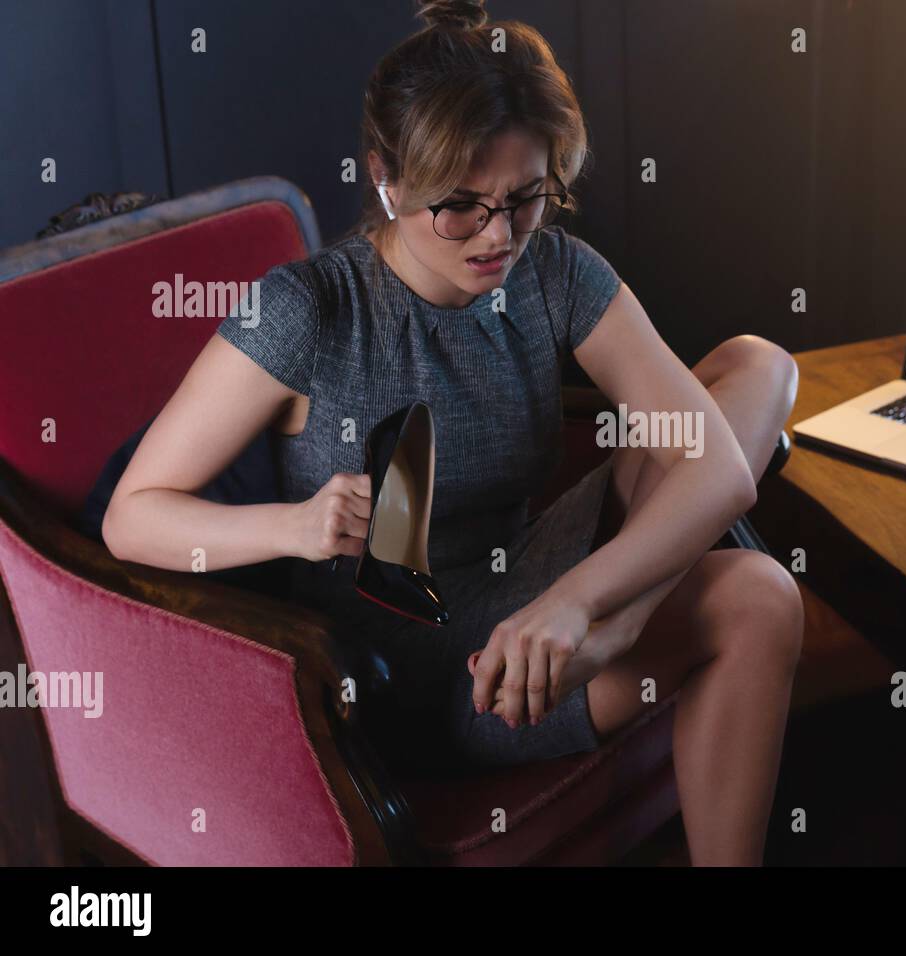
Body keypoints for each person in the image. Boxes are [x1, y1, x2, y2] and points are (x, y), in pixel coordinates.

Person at [102, 0, 803, 866]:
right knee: (762, 594)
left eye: (525, 198)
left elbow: (724, 473)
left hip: (543, 606)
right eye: (462, 207)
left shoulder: (554, 273)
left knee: (760, 364)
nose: (500, 236)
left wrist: (590, 610)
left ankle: (622, 617)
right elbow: (132, 515)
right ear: (388, 179)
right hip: (431, 679)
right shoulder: (306, 312)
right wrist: (289, 526)